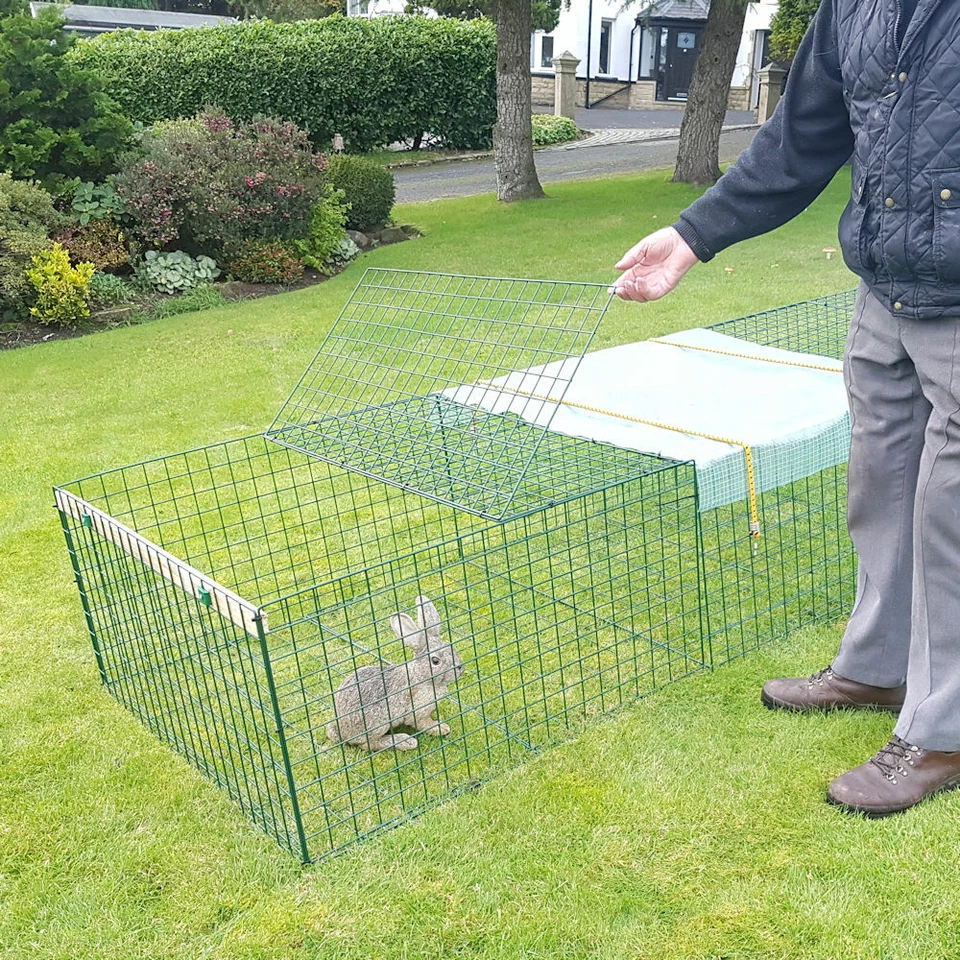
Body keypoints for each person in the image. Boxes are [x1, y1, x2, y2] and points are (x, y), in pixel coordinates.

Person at [611, 0, 960, 817]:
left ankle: (942, 729)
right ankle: (877, 668)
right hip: (886, 293)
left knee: (952, 517)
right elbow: (803, 136)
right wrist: (693, 235)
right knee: (882, 489)